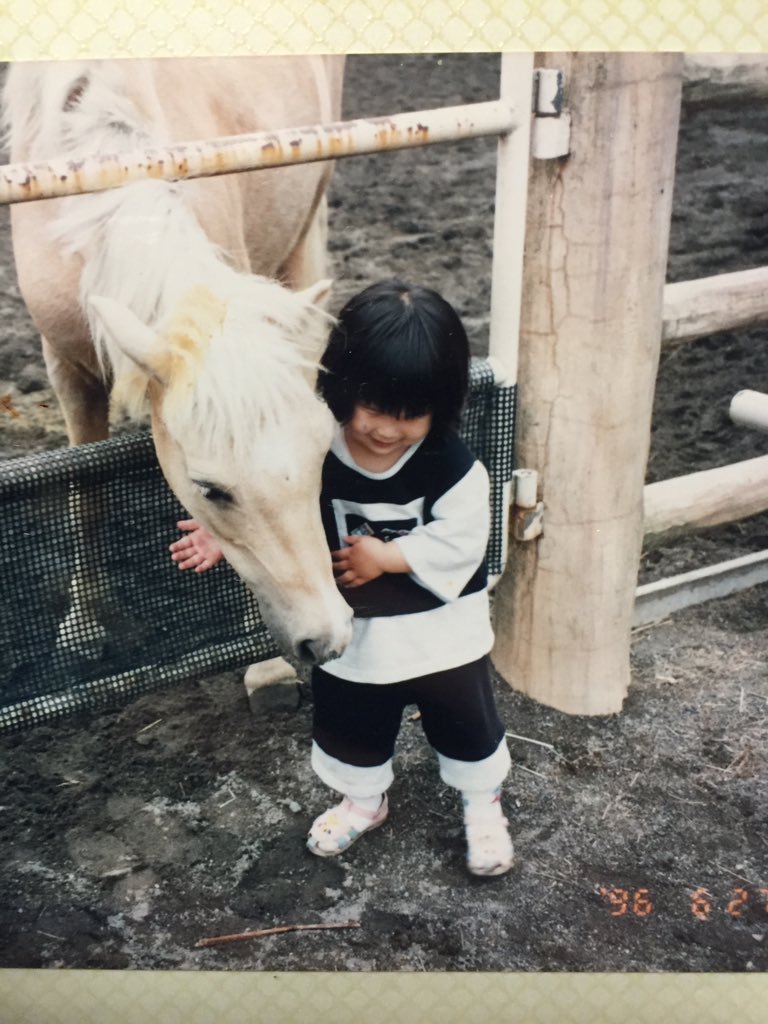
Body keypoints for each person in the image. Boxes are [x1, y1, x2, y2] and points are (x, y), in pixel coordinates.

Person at [170, 279, 513, 877]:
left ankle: (482, 804)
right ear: (343, 386)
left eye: (411, 415)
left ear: (442, 404)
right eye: (374, 407)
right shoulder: (314, 447)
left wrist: (390, 557)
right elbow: (272, 500)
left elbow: (464, 540)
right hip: (354, 627)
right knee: (355, 720)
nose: (387, 430)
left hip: (440, 635)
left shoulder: (453, 467)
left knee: (466, 721)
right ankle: (363, 801)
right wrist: (224, 531)